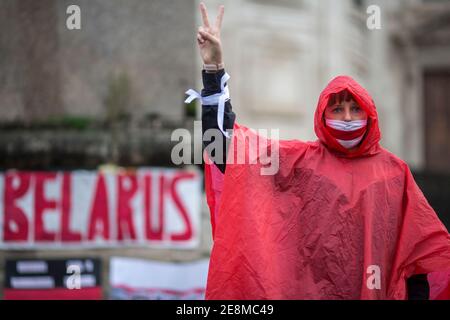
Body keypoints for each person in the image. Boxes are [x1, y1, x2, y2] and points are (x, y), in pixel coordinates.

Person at [186, 3, 450, 300]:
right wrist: (213, 70)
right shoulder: (298, 162)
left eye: (355, 109)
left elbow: (416, 262)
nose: (348, 118)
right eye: (337, 109)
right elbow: (226, 148)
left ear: (370, 114)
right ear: (322, 116)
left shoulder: (395, 173)